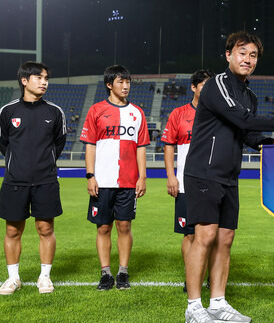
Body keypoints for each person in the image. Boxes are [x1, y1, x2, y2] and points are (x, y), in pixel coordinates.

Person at [182, 31, 274, 323]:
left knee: (225, 238)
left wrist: (271, 141)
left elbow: (247, 133)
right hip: (203, 171)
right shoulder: (217, 85)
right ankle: (193, 308)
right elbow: (241, 120)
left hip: (229, 176)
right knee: (205, 236)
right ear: (228, 55)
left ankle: (217, 302)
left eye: (253, 55)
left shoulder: (249, 95)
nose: (248, 60)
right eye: (242, 53)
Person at [80, 65, 150, 291]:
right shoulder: (96, 110)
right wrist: (90, 176)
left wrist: (143, 177)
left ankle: (122, 273)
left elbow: (141, 148)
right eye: (121, 82)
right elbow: (90, 146)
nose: (126, 85)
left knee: (125, 226)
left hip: (128, 181)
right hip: (103, 180)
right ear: (109, 85)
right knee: (102, 228)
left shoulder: (137, 113)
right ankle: (105, 273)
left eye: (128, 81)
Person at [0, 62, 66, 295]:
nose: (44, 81)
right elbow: (4, 143)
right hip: (14, 180)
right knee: (12, 231)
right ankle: (13, 278)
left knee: (45, 229)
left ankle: (44, 277)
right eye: (38, 77)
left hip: (45, 180)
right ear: (24, 81)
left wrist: (42, 163)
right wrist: (18, 164)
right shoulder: (7, 111)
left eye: (46, 77)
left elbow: (58, 143)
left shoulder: (55, 112)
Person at [161, 69, 214, 292]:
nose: (208, 90)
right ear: (193, 87)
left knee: (212, 233)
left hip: (212, 182)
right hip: (185, 183)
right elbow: (169, 146)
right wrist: (171, 176)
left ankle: (211, 276)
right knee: (190, 233)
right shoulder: (178, 114)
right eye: (204, 86)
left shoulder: (217, 114)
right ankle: (192, 275)